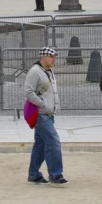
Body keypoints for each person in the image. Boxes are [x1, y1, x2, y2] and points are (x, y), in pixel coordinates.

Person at [25, 47, 67, 186]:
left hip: (47, 114)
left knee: (40, 145)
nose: (54, 59)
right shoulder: (35, 72)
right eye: (51, 56)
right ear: (43, 57)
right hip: (41, 114)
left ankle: (33, 175)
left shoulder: (48, 71)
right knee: (53, 142)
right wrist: (42, 104)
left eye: (54, 56)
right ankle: (55, 175)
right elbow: (29, 92)